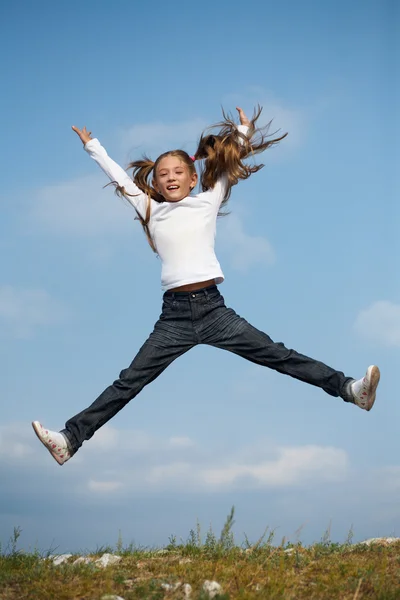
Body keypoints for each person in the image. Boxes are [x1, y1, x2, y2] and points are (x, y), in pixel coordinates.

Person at [32, 106, 380, 466]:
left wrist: (243, 131)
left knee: (278, 355)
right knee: (128, 382)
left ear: (192, 178)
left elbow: (228, 166)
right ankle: (69, 440)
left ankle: (351, 390)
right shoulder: (149, 209)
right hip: (174, 319)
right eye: (163, 174)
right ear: (154, 183)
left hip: (213, 310)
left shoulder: (207, 201)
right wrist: (94, 147)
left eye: (178, 172)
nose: (170, 178)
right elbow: (120, 178)